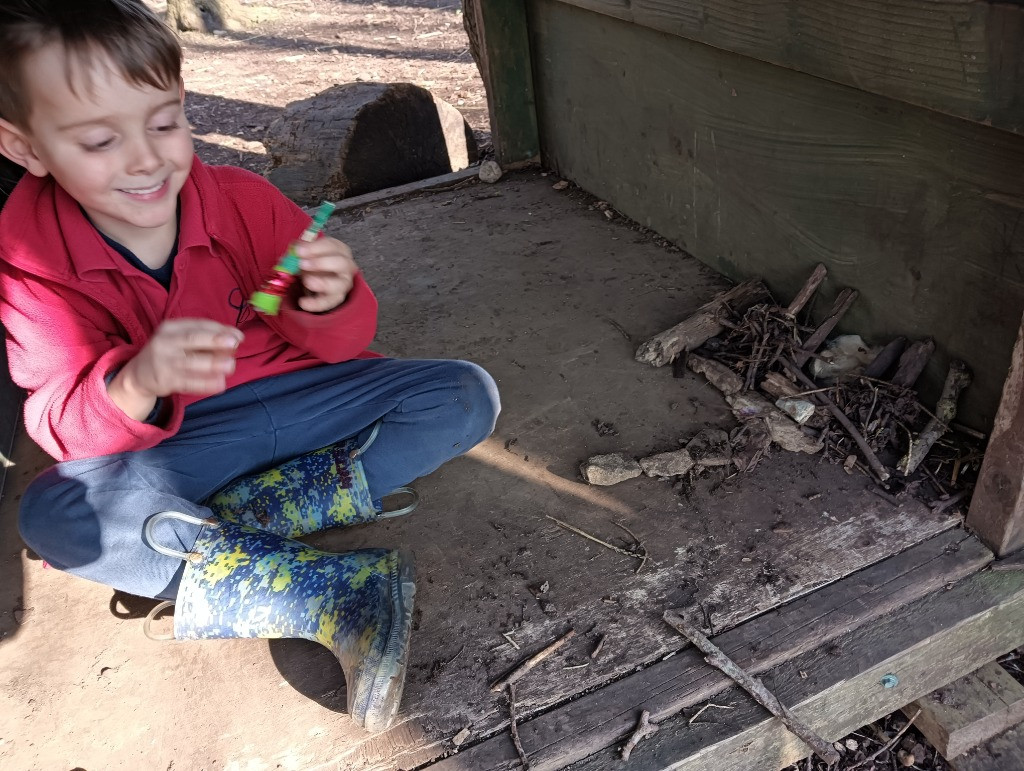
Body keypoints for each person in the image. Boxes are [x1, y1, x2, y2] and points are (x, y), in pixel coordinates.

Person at [0, 0, 499, 733]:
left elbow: (344, 339)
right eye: (101, 139)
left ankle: (225, 532)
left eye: (166, 122)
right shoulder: (29, 259)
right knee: (54, 517)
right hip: (181, 446)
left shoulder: (241, 201)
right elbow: (58, 421)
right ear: (26, 148)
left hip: (306, 400)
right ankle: (326, 589)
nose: (147, 158)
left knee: (464, 395)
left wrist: (326, 299)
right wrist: (137, 381)